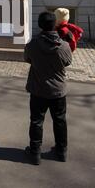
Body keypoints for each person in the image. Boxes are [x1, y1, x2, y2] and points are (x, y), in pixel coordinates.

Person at [24, 12, 72, 165]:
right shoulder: (63, 46)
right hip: (57, 90)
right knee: (60, 121)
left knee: (36, 121)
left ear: (40, 25)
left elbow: (28, 59)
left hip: (38, 89)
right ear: (55, 25)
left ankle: (35, 152)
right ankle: (61, 151)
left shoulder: (32, 45)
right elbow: (68, 62)